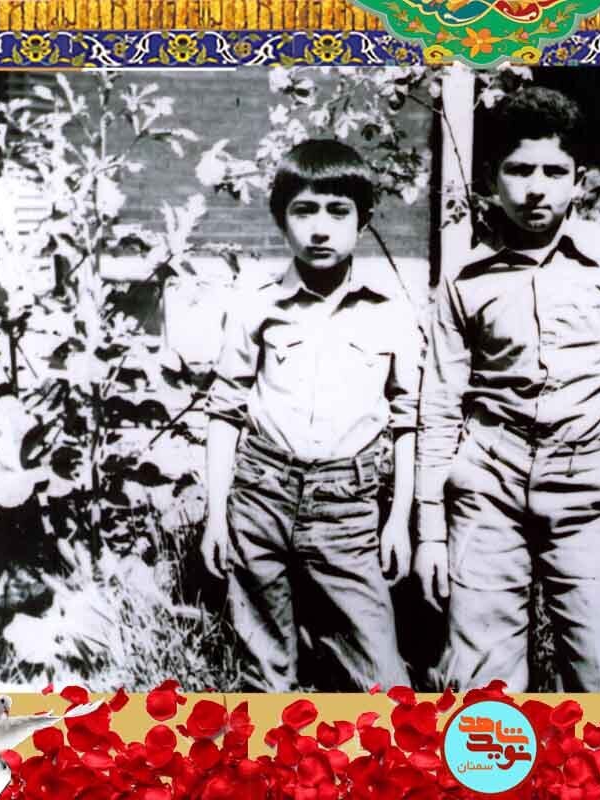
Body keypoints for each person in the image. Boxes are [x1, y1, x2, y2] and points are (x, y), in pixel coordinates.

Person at [414, 86, 600, 692]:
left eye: (554, 172)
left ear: (578, 181)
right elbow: (440, 404)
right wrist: (430, 527)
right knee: (480, 686)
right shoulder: (465, 277)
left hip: (587, 487)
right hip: (487, 487)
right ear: (492, 177)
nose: (536, 188)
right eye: (519, 170)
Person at [201, 139, 418, 691]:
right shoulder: (256, 303)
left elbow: (407, 420)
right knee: (265, 673)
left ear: (363, 221)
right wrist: (216, 515)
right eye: (304, 211)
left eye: (338, 211)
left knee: (381, 681)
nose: (320, 229)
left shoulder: (392, 311)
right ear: (281, 219)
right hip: (261, 496)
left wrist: (398, 520)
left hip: (347, 507)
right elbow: (225, 411)